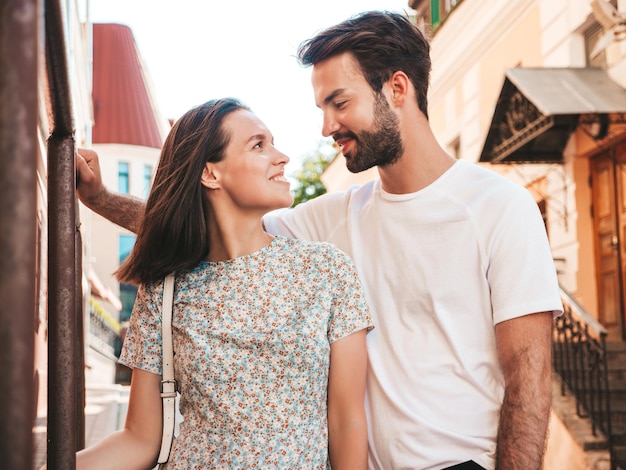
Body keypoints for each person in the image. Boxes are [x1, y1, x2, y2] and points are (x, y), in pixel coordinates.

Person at [75, 11, 563, 470]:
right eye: (322, 108)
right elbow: (203, 227)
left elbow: (529, 377)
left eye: (340, 103)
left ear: (397, 88)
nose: (327, 126)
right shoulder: (332, 218)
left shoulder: (500, 207)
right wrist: (99, 198)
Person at [70, 98, 372, 469]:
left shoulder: (325, 270)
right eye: (259, 145)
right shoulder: (164, 289)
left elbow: (348, 421)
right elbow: (140, 438)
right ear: (210, 173)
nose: (281, 157)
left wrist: (100, 197)